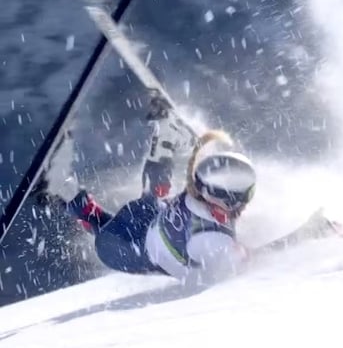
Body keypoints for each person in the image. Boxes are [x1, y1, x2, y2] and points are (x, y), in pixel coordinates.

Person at [59, 95, 255, 286]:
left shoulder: (197, 192)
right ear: (228, 200)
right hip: (123, 249)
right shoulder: (212, 238)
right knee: (110, 223)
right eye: (246, 196)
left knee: (153, 198)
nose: (246, 204)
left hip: (144, 217)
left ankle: (165, 141)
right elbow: (239, 266)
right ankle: (69, 196)